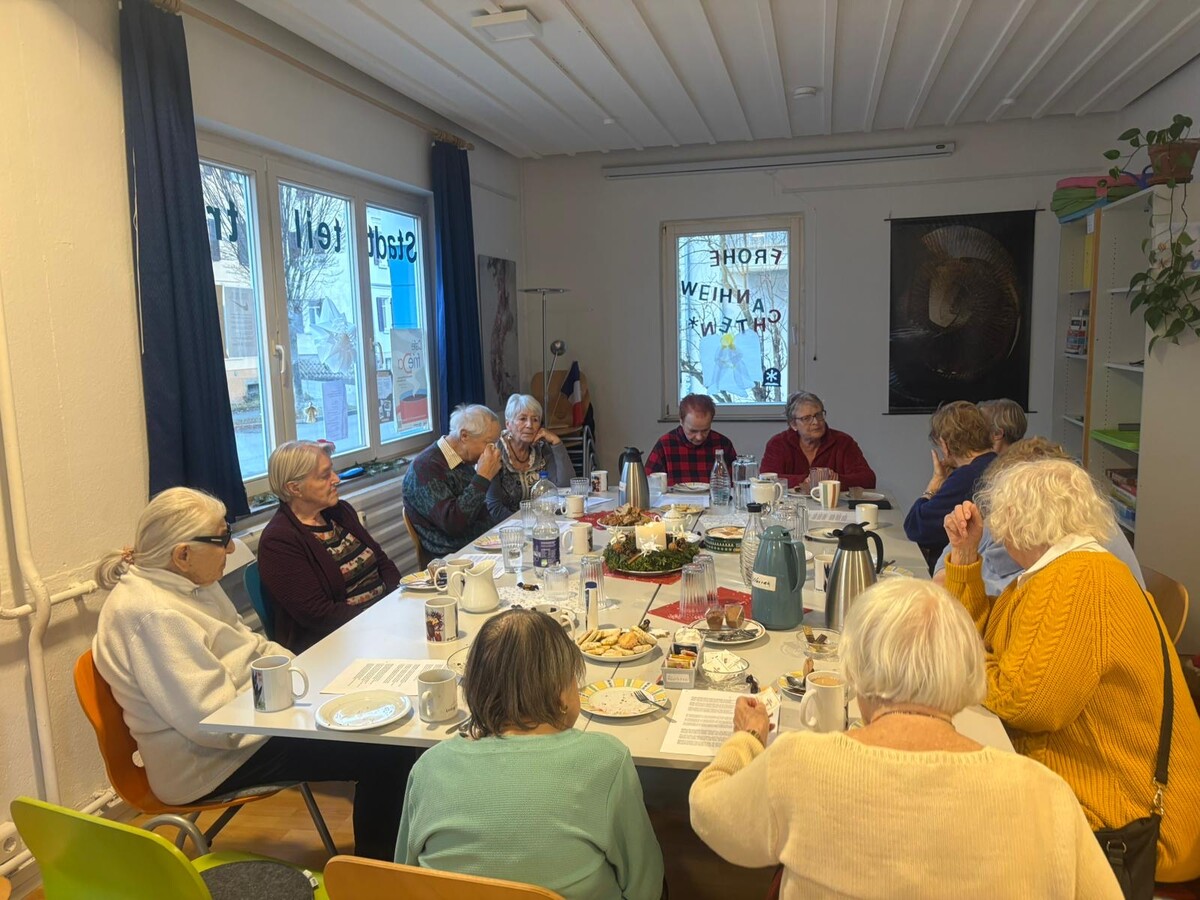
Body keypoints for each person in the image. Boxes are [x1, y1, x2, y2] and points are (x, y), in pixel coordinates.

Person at [689, 577, 1121, 899]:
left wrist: (747, 737)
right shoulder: (1044, 794)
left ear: (853, 673)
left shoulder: (800, 762)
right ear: (968, 673)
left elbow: (709, 813)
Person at [93, 488, 415, 860]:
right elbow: (213, 722)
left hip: (253, 721)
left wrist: (298, 676)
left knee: (379, 723)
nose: (231, 551)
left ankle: (388, 863)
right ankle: (376, 877)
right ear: (182, 555)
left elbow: (254, 646)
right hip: (206, 762)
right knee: (386, 751)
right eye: (223, 539)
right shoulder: (152, 615)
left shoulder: (192, 585)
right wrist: (296, 701)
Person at [943, 459, 1200, 883]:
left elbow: (1026, 704)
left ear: (1019, 520)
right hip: (1106, 799)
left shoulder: (1080, 580)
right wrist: (965, 557)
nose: (997, 532)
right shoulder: (1054, 573)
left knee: (960, 826)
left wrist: (968, 660)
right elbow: (985, 640)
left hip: (1134, 824)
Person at [396, 609, 665, 899]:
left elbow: (402, 878)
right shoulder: (606, 761)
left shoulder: (428, 768)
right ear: (562, 693)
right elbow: (644, 886)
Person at [932, 437, 1145, 594]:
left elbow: (1008, 638)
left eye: (1007, 510)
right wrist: (963, 553)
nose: (1000, 524)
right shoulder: (1067, 524)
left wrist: (960, 579)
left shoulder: (1076, 574)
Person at [258, 441, 400, 653]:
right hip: (336, 644)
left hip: (381, 623)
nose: (336, 479)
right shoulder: (278, 541)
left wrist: (398, 600)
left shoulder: (340, 511)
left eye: (332, 470)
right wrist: (380, 620)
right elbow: (318, 614)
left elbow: (381, 561)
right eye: (325, 476)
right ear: (294, 488)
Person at [903, 401, 996, 573]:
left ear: (945, 445)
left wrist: (935, 483)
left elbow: (916, 526)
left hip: (964, 574)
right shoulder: (998, 463)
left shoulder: (967, 477)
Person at [402, 404, 502, 558]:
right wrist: (482, 477)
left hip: (482, 546)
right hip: (454, 558)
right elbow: (454, 523)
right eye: (489, 443)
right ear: (464, 436)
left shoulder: (462, 460)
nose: (493, 450)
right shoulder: (425, 468)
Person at [760, 391, 875, 490]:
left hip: (834, 509)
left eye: (818, 415)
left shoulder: (843, 442)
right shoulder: (778, 444)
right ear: (793, 424)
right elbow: (766, 479)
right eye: (806, 418)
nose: (816, 422)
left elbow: (868, 479)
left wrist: (835, 479)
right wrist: (806, 480)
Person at [486, 394, 575, 518]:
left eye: (535, 420)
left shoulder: (542, 447)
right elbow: (494, 508)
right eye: (522, 419)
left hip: (542, 521)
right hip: (508, 528)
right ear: (508, 424)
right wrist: (526, 524)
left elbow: (565, 487)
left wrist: (556, 442)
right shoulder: (495, 452)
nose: (529, 425)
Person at [645, 393, 736, 486]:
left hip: (713, 499)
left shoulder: (723, 444)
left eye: (705, 430)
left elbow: (735, 484)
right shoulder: (665, 444)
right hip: (675, 500)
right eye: (693, 431)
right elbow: (648, 484)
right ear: (681, 421)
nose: (699, 437)